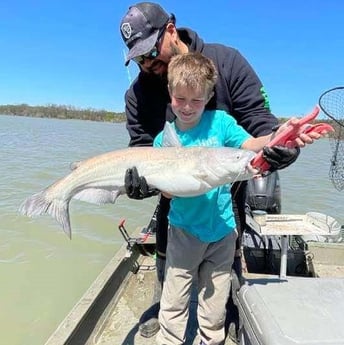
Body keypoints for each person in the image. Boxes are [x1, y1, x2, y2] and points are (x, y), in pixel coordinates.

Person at [119, 1, 303, 339]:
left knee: (220, 278)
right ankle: (165, 305)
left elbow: (260, 124)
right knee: (173, 258)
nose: (147, 63)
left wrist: (283, 143)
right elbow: (142, 150)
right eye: (138, 58)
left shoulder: (228, 61)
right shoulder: (138, 94)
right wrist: (140, 183)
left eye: (150, 51)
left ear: (170, 30)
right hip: (175, 201)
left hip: (225, 196)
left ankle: (223, 311)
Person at [152, 52, 325, 345]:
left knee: (214, 307)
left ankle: (212, 340)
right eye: (180, 99)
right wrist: (152, 183)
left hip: (222, 232)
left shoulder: (221, 122)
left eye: (196, 100)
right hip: (182, 232)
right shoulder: (163, 140)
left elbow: (250, 145)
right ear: (170, 93)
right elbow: (167, 192)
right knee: (173, 303)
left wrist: (277, 137)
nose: (187, 107)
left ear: (208, 97)